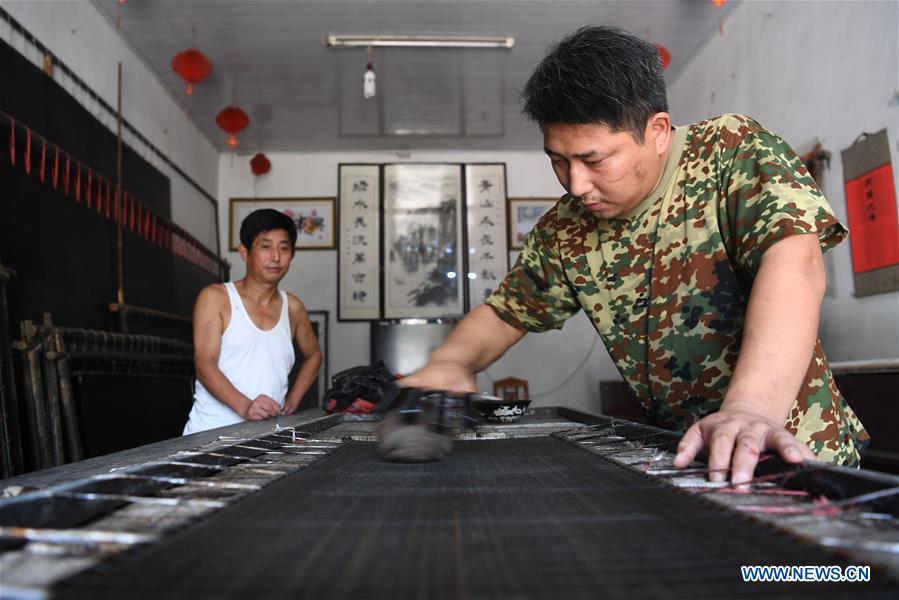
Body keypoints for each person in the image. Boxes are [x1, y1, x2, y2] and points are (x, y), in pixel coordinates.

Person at [401, 25, 868, 484]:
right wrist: (452, 361)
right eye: (558, 161)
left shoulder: (730, 150)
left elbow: (794, 262)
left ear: (658, 131)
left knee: (798, 564)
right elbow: (505, 315)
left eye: (594, 159)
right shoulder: (565, 230)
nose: (576, 184)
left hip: (797, 452)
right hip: (685, 461)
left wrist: (750, 409)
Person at [183, 209, 322, 434]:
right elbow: (204, 363)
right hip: (210, 433)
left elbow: (314, 356)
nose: (276, 257)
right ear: (245, 252)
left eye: (284, 248)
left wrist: (293, 400)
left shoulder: (293, 308)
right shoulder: (215, 298)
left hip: (268, 434)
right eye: (266, 247)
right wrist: (245, 406)